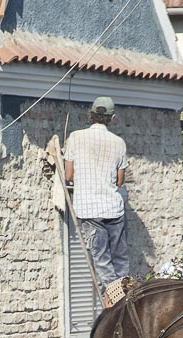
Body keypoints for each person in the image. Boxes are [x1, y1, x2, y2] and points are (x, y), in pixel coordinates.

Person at [64, 96, 130, 295]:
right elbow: (120, 182)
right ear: (113, 118)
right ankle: (124, 295)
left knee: (102, 260)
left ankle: (114, 299)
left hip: (89, 208)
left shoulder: (75, 137)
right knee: (120, 259)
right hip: (114, 209)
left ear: (90, 115)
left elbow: (68, 175)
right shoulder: (119, 143)